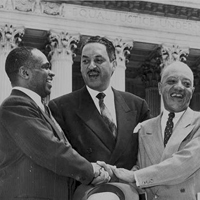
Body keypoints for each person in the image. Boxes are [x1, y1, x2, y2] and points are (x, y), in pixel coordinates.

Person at [0, 47, 110, 200]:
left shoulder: (40, 107)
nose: (52, 73)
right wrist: (91, 171)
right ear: (25, 73)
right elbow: (51, 150)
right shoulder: (15, 106)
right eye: (45, 67)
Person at [49, 36, 150, 199]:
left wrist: (129, 175)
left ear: (114, 65)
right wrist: (90, 172)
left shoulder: (137, 106)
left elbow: (150, 154)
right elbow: (58, 158)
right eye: (85, 61)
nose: (91, 66)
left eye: (98, 60)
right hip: (87, 193)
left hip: (128, 193)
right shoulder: (60, 108)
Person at [107, 61, 200, 200]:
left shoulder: (198, 122)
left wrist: (135, 176)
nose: (179, 87)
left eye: (186, 84)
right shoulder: (145, 127)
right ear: (160, 88)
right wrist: (114, 173)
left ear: (192, 92)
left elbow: (185, 163)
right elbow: (140, 167)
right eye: (172, 81)